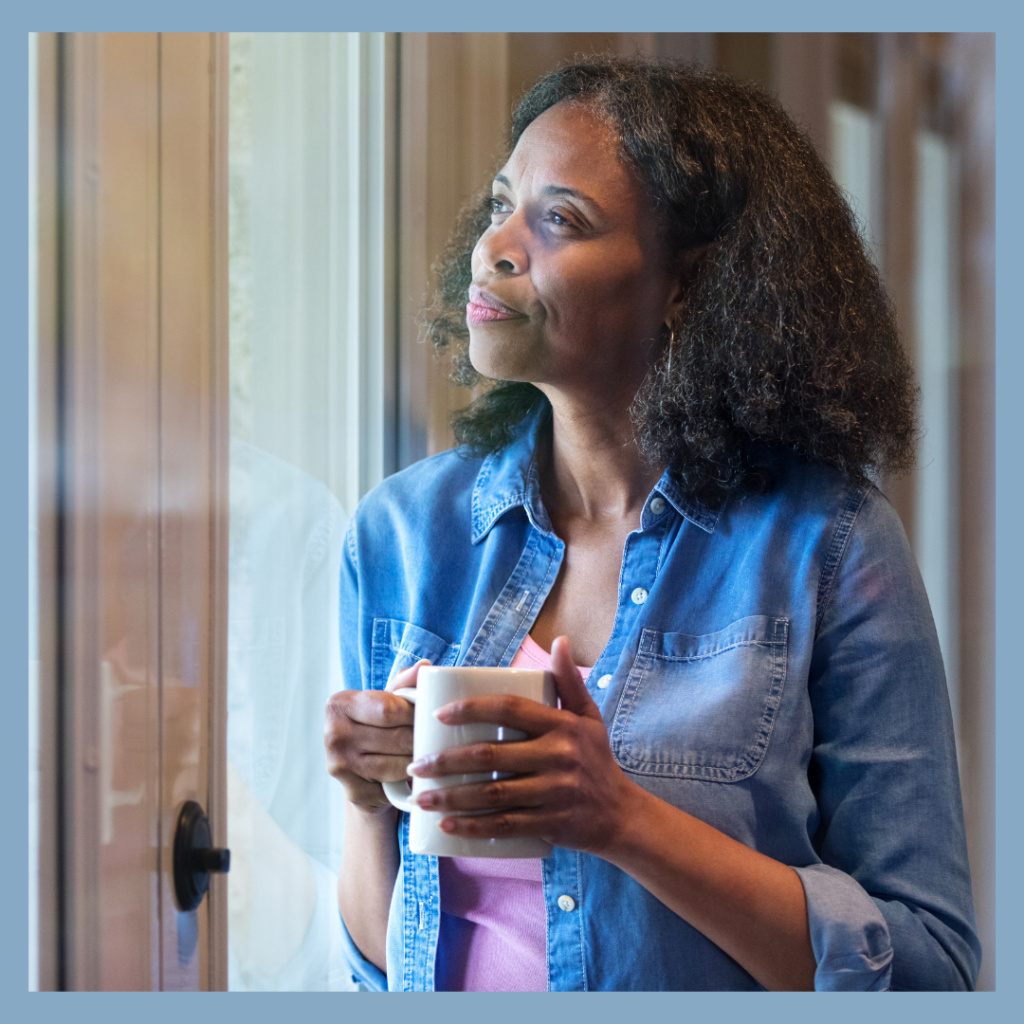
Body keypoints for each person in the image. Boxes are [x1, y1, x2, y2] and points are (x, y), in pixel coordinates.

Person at [324, 56, 980, 991]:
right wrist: (362, 803)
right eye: (502, 203)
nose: (494, 246)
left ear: (686, 286)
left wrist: (621, 818)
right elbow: (386, 970)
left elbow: (931, 970)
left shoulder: (829, 548)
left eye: (559, 219)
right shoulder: (399, 535)